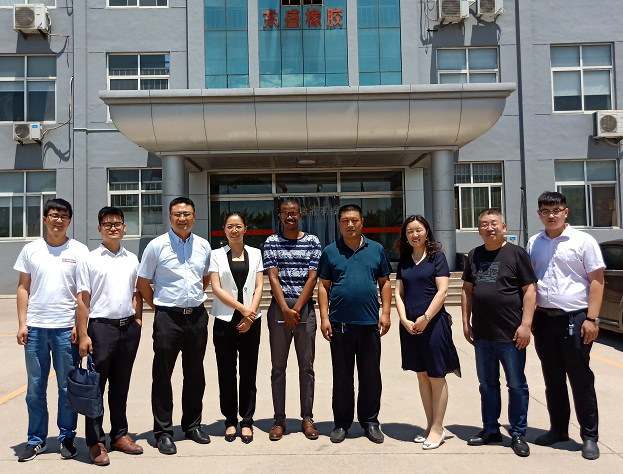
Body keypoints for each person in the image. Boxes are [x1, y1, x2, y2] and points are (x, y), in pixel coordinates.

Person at [526, 191, 604, 461]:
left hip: (576, 319)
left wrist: (592, 319)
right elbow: (530, 282)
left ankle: (589, 436)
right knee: (553, 379)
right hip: (544, 320)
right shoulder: (534, 242)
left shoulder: (583, 241)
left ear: (565, 212)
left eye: (556, 210)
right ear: (539, 214)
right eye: (546, 211)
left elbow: (597, 281)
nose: (552, 215)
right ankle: (558, 429)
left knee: (580, 380)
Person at [14, 198, 89, 462]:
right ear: (45, 219)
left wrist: (80, 326)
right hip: (35, 329)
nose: (59, 220)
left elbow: (83, 293)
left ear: (70, 220)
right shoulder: (31, 250)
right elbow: (23, 287)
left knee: (67, 387)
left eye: (64, 216)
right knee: (35, 388)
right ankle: (36, 440)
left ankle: (66, 437)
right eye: (54, 215)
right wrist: (22, 323)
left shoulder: (79, 250)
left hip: (66, 330)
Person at [136, 197, 212, 455]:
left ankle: (192, 425)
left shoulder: (203, 245)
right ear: (170, 217)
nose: (182, 218)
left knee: (195, 373)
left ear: (194, 216)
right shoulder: (156, 246)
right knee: (163, 375)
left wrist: (190, 301)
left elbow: (204, 278)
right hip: (168, 318)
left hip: (197, 317)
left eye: (187, 214)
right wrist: (160, 308)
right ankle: (163, 432)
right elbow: (143, 282)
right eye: (177, 214)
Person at [461, 209, 537, 457]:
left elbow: (529, 290)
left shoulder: (516, 253)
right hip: (482, 334)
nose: (489, 228)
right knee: (487, 385)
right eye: (484, 224)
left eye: (494, 223)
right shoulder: (474, 254)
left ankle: (518, 433)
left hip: (511, 334)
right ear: (479, 229)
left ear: (503, 227)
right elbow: (467, 290)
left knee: (516, 385)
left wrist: (526, 325)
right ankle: (491, 429)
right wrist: (465, 322)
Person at [317, 204, 392, 444]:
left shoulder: (376, 249)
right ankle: (342, 423)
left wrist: (386, 313)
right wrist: (324, 317)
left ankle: (370, 422)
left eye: (354, 220)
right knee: (342, 377)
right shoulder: (330, 251)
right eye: (345, 221)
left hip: (370, 323)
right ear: (339, 224)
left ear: (362, 222)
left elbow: (385, 282)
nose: (350, 224)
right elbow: (323, 286)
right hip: (340, 325)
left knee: (370, 376)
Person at [76, 207, 144, 466]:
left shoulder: (132, 259)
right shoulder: (89, 259)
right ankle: (95, 442)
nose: (113, 227)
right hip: (101, 329)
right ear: (99, 229)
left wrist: (138, 321)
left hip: (128, 329)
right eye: (107, 224)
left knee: (121, 385)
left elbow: (137, 293)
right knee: (95, 387)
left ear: (124, 227)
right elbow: (83, 300)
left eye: (117, 223)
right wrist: (84, 333)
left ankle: (119, 435)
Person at [394, 215, 460, 450]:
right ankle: (430, 424)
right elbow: (398, 293)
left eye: (419, 230)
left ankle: (438, 428)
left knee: (436, 375)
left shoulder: (437, 257)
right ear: (405, 236)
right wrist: (404, 319)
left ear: (427, 232)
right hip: (410, 326)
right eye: (410, 231)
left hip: (433, 325)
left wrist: (426, 318)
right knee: (422, 375)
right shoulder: (404, 261)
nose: (415, 234)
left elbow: (442, 292)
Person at [263, 200, 322, 441]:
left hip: (304, 310)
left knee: (306, 367)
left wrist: (296, 308)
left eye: (293, 213)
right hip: (279, 310)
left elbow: (312, 277)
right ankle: (279, 419)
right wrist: (285, 309)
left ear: (300, 215)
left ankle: (307, 418)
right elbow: (273, 277)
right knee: (278, 368)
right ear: (280, 216)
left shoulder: (313, 242)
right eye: (285, 214)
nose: (290, 217)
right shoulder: (271, 242)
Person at [208, 212, 263, 444]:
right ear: (224, 230)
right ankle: (230, 420)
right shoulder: (216, 255)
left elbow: (259, 286)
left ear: (245, 229)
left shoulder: (256, 253)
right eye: (230, 226)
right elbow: (216, 288)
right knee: (226, 373)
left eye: (238, 226)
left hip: (252, 320)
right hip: (224, 320)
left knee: (248, 372)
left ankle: (247, 421)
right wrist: (243, 309)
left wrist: (251, 315)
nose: (234, 230)